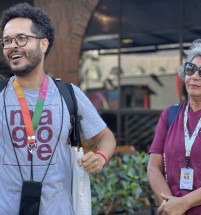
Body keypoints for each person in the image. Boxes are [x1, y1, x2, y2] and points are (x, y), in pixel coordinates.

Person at [0, 2, 116, 215]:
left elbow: (106, 137)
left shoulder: (69, 94)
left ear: (43, 44)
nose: (12, 46)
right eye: (6, 41)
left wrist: (100, 157)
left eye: (21, 38)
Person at [147, 39, 201, 215]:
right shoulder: (170, 115)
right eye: (190, 70)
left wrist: (184, 203)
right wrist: (169, 205)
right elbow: (154, 167)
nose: (194, 77)